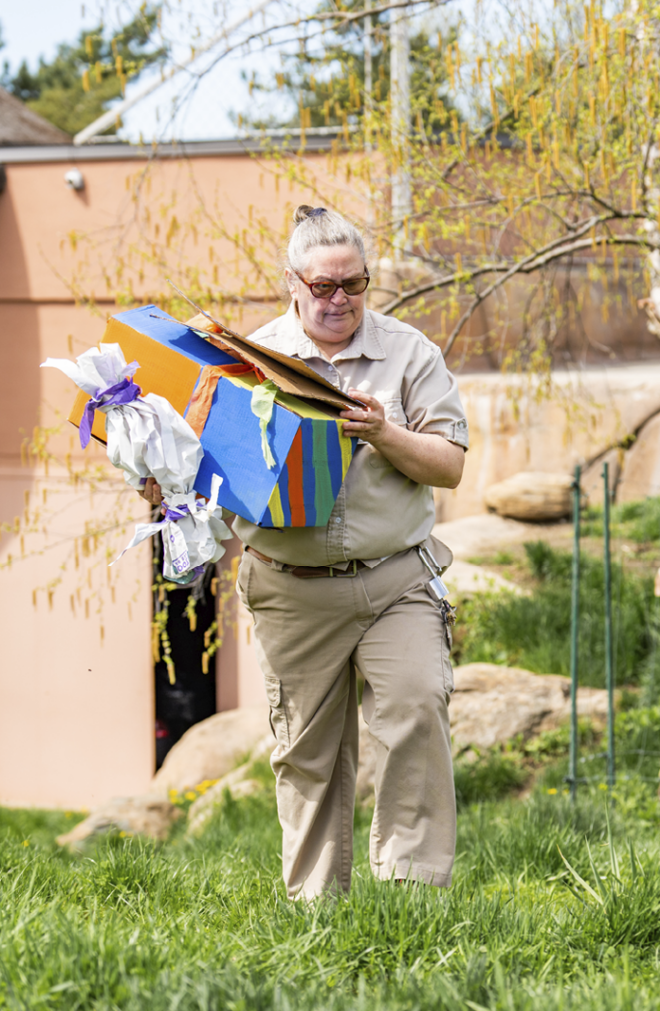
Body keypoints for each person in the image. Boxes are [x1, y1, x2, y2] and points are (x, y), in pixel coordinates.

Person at [144, 205, 469, 899]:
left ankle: (413, 898)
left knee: (416, 710)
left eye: (354, 284)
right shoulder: (246, 363)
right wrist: (163, 481)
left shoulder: (408, 354)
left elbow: (448, 465)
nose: (340, 300)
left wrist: (384, 433)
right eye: (323, 287)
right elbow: (205, 472)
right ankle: (320, 911)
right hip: (290, 590)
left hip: (395, 582)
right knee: (307, 757)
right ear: (291, 282)